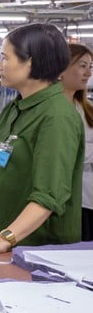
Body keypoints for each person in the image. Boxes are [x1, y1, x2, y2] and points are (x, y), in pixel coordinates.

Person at [0, 24, 83, 251]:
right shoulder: (15, 109)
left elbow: (49, 195)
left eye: (5, 58)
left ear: (30, 61)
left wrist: (5, 239)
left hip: (32, 251)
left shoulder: (56, 117)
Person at [61, 43, 93, 241]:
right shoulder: (52, 110)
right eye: (82, 65)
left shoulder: (87, 109)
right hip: (66, 200)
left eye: (91, 66)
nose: (88, 72)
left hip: (87, 198)